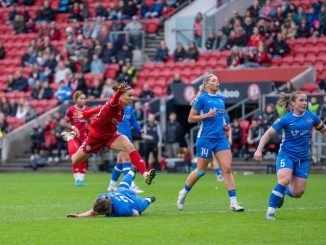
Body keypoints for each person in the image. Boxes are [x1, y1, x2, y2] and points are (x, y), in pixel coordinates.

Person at [61, 82, 156, 185]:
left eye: (133, 95)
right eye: (129, 95)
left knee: (129, 146)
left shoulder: (123, 108)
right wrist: (118, 92)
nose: (132, 98)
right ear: (121, 96)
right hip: (95, 137)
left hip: (110, 135)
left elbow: (100, 108)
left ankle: (145, 174)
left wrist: (87, 113)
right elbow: (113, 101)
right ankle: (70, 138)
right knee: (75, 160)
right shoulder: (114, 103)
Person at [254, 91, 326, 221]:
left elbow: (323, 130)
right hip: (286, 155)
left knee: (298, 193)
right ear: (293, 103)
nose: (305, 103)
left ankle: (282, 193)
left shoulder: (312, 118)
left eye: (305, 100)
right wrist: (259, 150)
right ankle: (270, 212)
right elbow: (268, 134)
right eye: (301, 100)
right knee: (284, 180)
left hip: (303, 158)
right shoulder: (285, 119)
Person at [177, 74, 244, 212]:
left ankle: (233, 202)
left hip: (220, 138)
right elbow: (190, 118)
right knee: (201, 171)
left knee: (227, 169)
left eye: (218, 81)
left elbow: (220, 117)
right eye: (213, 81)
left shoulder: (221, 98)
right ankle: (183, 192)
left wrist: (225, 125)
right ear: (207, 84)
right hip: (205, 138)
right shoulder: (201, 99)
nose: (217, 83)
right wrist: (206, 116)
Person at [67, 167, 155, 218]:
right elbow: (93, 211)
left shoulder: (121, 210)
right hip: (122, 192)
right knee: (123, 185)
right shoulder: (102, 196)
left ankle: (149, 199)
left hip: (135, 200)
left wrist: (117, 215)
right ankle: (132, 171)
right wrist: (79, 216)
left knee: (142, 206)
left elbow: (136, 213)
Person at [107, 104, 145, 193]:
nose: (131, 98)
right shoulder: (115, 106)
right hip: (119, 137)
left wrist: (140, 129)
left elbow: (133, 120)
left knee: (120, 163)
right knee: (126, 159)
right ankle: (130, 185)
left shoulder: (129, 107)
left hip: (128, 137)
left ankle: (112, 185)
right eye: (129, 95)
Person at [64, 91, 90, 186]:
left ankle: (81, 179)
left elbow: (90, 122)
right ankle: (76, 179)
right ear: (76, 99)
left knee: (83, 157)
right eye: (81, 98)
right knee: (75, 156)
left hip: (83, 136)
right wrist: (73, 127)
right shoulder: (71, 110)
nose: (83, 100)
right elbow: (65, 122)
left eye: (84, 98)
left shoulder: (87, 109)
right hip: (73, 135)